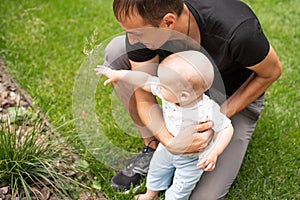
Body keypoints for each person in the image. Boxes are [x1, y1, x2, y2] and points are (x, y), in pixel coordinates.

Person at [102, 0, 282, 199]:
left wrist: (212, 122)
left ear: (168, 22)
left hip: (232, 96)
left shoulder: (238, 31)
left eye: (137, 33)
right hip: (173, 85)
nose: (132, 40)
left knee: (204, 197)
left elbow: (272, 72)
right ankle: (152, 147)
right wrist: (169, 141)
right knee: (116, 52)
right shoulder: (141, 31)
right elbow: (144, 95)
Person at [96, 51, 234, 199]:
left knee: (182, 186)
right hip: (167, 148)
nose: (157, 85)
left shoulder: (206, 109)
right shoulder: (169, 91)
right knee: (156, 169)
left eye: (162, 84)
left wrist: (214, 153)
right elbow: (145, 80)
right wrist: (120, 75)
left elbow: (227, 128)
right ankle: (150, 193)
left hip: (192, 158)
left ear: (184, 96)